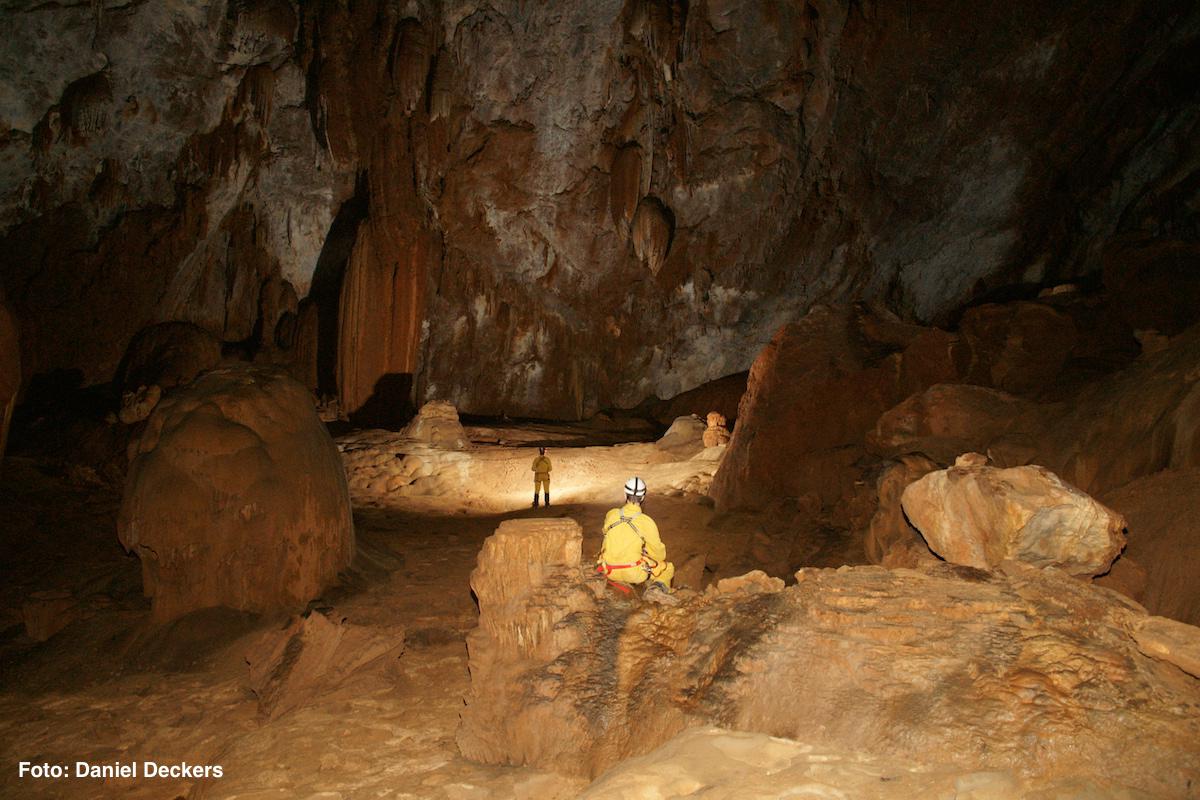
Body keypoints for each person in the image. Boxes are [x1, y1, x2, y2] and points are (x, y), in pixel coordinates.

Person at [595, 477, 676, 603]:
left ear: (625, 493)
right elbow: (659, 554)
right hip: (633, 573)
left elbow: (607, 535)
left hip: (608, 570)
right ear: (643, 497)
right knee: (667, 568)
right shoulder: (646, 522)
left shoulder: (612, 514)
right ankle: (656, 589)